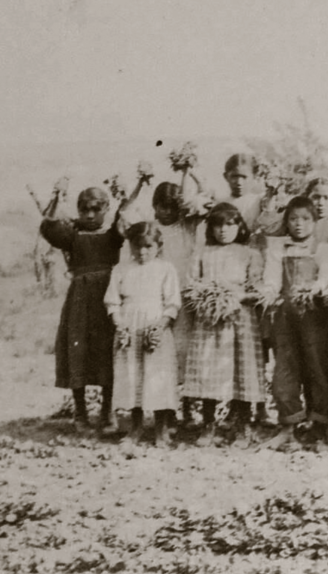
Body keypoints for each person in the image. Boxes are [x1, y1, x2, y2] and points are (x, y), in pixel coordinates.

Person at [118, 179, 209, 427]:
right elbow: (124, 212)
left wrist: (188, 172)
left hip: (185, 297)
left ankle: (188, 407)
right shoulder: (149, 229)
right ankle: (165, 411)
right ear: (154, 206)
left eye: (171, 206)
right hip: (157, 302)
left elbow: (204, 201)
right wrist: (137, 183)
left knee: (185, 351)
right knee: (161, 355)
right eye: (161, 206)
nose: (166, 211)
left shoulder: (188, 225)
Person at [40, 186, 125, 435]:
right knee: (78, 351)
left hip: (108, 299)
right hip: (79, 301)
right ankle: (80, 412)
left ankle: (108, 411)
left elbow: (127, 222)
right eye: (84, 209)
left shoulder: (112, 234)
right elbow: (49, 228)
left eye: (96, 209)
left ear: (106, 209)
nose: (89, 215)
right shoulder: (72, 235)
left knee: (108, 351)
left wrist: (127, 194)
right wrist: (55, 198)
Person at [180, 203, 266, 448]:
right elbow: (190, 285)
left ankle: (243, 425)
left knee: (242, 370)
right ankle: (209, 424)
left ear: (239, 226)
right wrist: (207, 296)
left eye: (229, 224)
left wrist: (237, 297)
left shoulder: (249, 254)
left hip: (240, 317)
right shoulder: (202, 253)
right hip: (210, 318)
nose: (223, 230)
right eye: (217, 225)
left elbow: (257, 289)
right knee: (210, 369)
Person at [260, 196, 328, 451]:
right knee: (285, 367)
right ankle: (287, 428)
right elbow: (271, 279)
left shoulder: (321, 248)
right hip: (285, 317)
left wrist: (314, 288)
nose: (299, 224)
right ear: (286, 222)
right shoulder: (277, 249)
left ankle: (324, 427)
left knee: (319, 367)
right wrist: (270, 292)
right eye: (293, 219)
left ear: (315, 222)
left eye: (305, 219)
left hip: (315, 316)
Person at [104, 223, 182, 448]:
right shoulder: (121, 269)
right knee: (133, 376)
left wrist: (159, 326)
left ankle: (161, 429)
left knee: (157, 376)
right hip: (129, 327)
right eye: (137, 247)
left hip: (155, 326)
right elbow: (112, 301)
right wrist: (120, 325)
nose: (142, 252)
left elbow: (172, 304)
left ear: (158, 246)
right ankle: (135, 428)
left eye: (148, 247)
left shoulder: (166, 269)